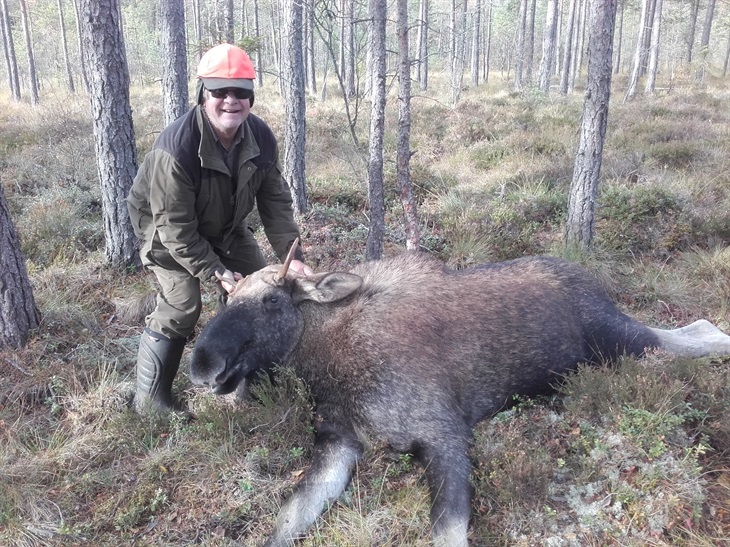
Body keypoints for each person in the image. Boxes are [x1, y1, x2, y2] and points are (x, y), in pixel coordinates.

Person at [127, 43, 312, 414]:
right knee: (182, 305)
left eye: (240, 92)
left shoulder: (260, 137)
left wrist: (292, 257)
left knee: (261, 291)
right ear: (203, 95)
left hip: (225, 225)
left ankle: (247, 384)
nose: (231, 101)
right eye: (219, 92)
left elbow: (275, 202)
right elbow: (175, 229)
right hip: (165, 233)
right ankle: (149, 403)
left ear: (251, 97)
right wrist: (216, 271)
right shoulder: (176, 150)